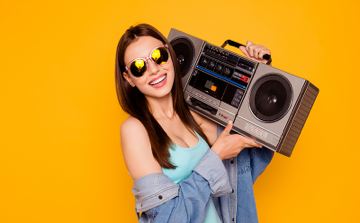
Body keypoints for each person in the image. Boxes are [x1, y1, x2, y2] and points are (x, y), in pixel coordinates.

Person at [115, 23, 274, 223]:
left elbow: (247, 165)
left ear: (170, 54)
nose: (154, 70)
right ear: (128, 78)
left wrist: (252, 74)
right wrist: (215, 156)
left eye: (158, 56)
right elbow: (169, 219)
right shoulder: (135, 130)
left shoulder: (196, 116)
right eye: (139, 67)